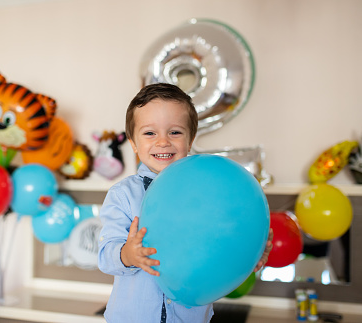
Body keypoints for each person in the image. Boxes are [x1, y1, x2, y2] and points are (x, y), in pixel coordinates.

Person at [98, 83, 273, 323]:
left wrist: (250, 254)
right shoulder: (123, 194)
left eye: (175, 132)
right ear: (133, 144)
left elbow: (219, 245)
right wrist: (129, 254)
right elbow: (105, 255)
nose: (163, 142)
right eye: (150, 133)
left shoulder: (209, 193)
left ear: (190, 141)